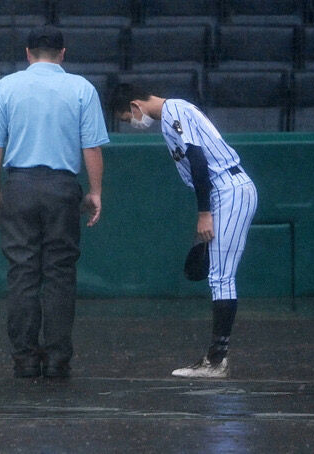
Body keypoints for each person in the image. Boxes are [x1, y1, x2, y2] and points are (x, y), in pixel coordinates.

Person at [0, 26, 109, 379]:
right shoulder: (82, 89)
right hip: (62, 188)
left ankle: (24, 358)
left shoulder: (4, 88)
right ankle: (57, 358)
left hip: (19, 185)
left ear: (27, 53)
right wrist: (95, 190)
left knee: (22, 273)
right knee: (59, 274)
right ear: (63, 53)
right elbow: (91, 147)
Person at [111, 84, 258, 379]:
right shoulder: (171, 115)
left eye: (128, 117)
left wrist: (204, 213)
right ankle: (215, 359)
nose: (133, 123)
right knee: (219, 275)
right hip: (223, 191)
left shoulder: (174, 110)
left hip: (229, 189)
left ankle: (215, 362)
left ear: (135, 105)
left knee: (221, 277)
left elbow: (199, 161)